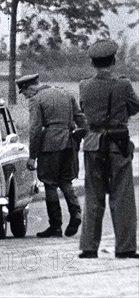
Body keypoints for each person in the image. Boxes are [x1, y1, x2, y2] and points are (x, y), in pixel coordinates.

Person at [78, 39, 139, 259]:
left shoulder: (84, 85)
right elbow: (135, 105)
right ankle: (125, 247)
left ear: (93, 63)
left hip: (94, 143)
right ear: (113, 60)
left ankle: (88, 247)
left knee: (93, 195)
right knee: (122, 195)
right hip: (118, 144)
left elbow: (84, 108)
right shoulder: (123, 84)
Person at [17, 73, 87, 238]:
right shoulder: (66, 93)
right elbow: (80, 118)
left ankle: (55, 226)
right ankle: (76, 213)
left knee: (49, 183)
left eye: (24, 92)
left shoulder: (36, 99)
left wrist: (32, 156)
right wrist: (85, 134)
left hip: (50, 145)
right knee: (66, 180)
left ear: (30, 87)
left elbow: (35, 130)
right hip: (70, 143)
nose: (26, 97)